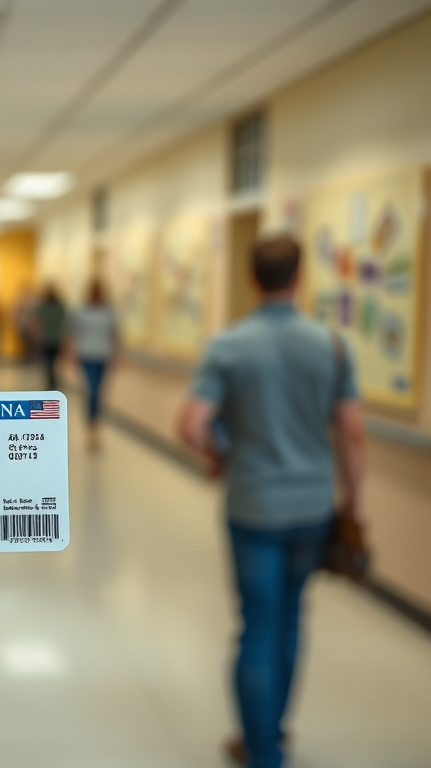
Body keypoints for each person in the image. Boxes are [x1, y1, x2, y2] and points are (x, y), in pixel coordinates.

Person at [176, 235, 366, 768]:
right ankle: (275, 732)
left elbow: (190, 424)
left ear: (251, 278)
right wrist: (356, 502)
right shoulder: (331, 345)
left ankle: (259, 749)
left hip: (254, 504)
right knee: (289, 619)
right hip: (312, 508)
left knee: (257, 622)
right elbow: (352, 433)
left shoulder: (229, 345)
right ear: (300, 277)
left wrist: (222, 455)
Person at [67, 279, 119, 449]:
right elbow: (73, 332)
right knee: (92, 391)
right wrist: (70, 351)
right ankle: (91, 428)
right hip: (86, 355)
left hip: (103, 356)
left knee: (99, 392)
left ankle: (95, 425)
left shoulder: (109, 311)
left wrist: (118, 355)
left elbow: (115, 334)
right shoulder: (81, 311)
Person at [35, 287, 66, 390]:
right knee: (54, 361)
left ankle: (50, 380)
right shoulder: (60, 308)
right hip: (57, 339)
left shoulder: (43, 308)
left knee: (48, 362)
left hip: (45, 338)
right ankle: (53, 380)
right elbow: (64, 324)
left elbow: (37, 323)